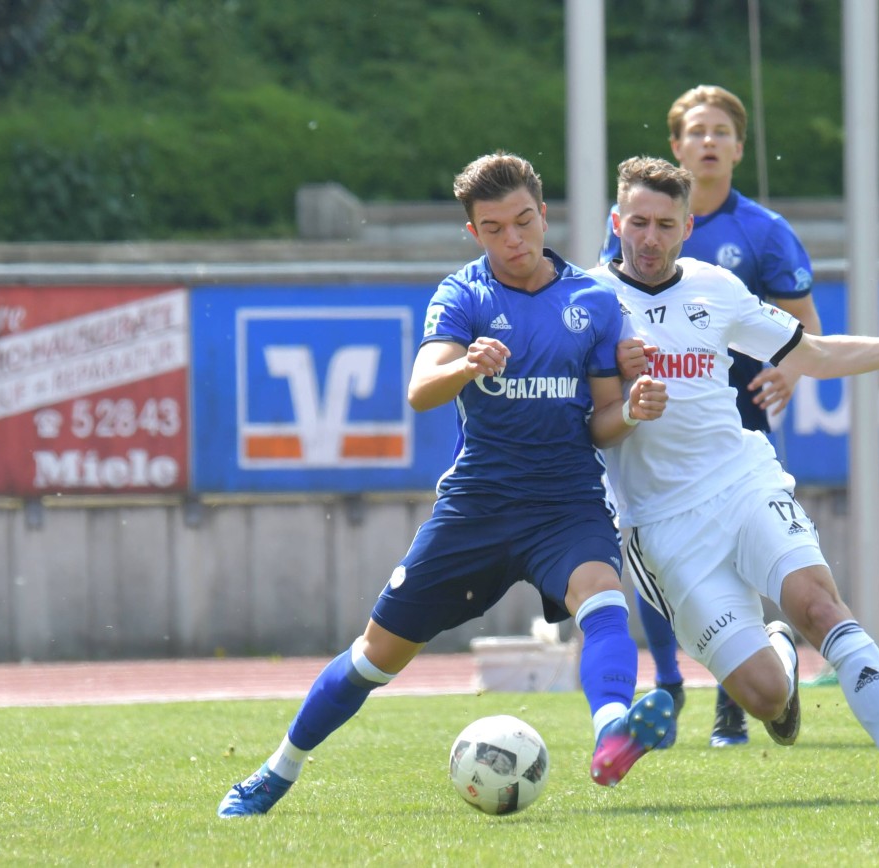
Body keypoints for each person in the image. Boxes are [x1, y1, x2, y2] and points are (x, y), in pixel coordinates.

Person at [217, 151, 676, 817]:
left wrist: (631, 410)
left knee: (603, 598)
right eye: (494, 229)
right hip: (477, 509)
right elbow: (418, 390)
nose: (514, 240)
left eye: (524, 221)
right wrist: (465, 364)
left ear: (545, 214)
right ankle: (276, 771)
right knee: (376, 656)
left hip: (565, 502)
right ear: (474, 233)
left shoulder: (593, 302)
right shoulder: (464, 295)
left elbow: (604, 422)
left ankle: (611, 732)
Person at [595, 155, 879, 800]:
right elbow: (573, 410)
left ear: (687, 228)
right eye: (637, 222)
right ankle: (779, 655)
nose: (649, 238)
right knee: (768, 699)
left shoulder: (716, 288)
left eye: (665, 224)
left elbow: (814, 352)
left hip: (741, 480)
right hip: (664, 526)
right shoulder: (589, 301)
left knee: (818, 603)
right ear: (616, 222)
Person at [599, 84, 824, 748]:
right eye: (696, 131)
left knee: (746, 562)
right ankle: (671, 679)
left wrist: (786, 371)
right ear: (676, 145)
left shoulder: (762, 232)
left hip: (734, 425)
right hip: (650, 439)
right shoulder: (638, 229)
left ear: (739, 148)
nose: (708, 142)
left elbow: (802, 330)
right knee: (659, 549)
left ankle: (738, 693)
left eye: (721, 131)